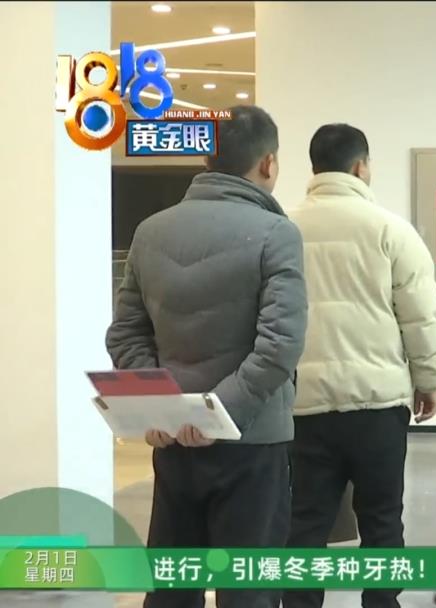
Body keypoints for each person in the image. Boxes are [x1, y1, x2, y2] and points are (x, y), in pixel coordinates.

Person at [105, 104, 307, 608]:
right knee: (248, 589)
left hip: (174, 443)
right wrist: (219, 413)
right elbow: (280, 343)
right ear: (268, 163)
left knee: (172, 585)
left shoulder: (151, 230)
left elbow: (126, 333)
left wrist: (162, 409)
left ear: (205, 157)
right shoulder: (276, 233)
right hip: (253, 441)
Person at [284, 124, 436, 608]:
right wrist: (428, 380)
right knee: (382, 518)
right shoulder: (391, 229)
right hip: (378, 404)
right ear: (361, 166)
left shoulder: (283, 228)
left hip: (303, 404)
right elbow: (420, 314)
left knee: (305, 521)